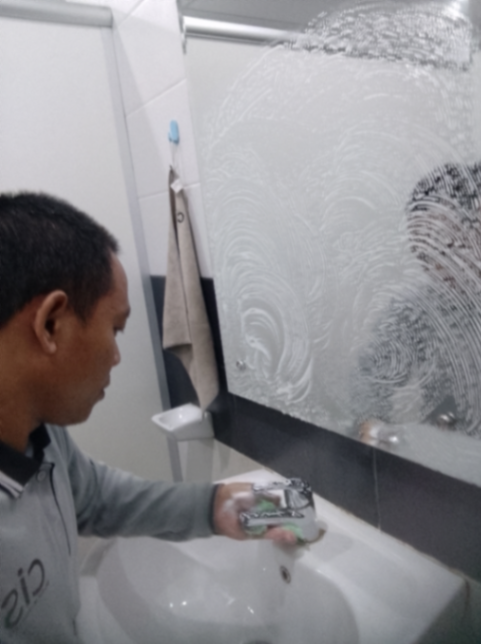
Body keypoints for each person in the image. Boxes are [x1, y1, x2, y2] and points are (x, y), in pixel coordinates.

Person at [0, 192, 296, 644]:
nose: (117, 357)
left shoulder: (41, 435)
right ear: (50, 325)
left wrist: (213, 505)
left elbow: (97, 498)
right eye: (115, 329)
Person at [352, 161, 481, 440]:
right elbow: (369, 383)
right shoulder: (417, 312)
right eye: (424, 254)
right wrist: (374, 429)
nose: (436, 267)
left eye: (446, 245)